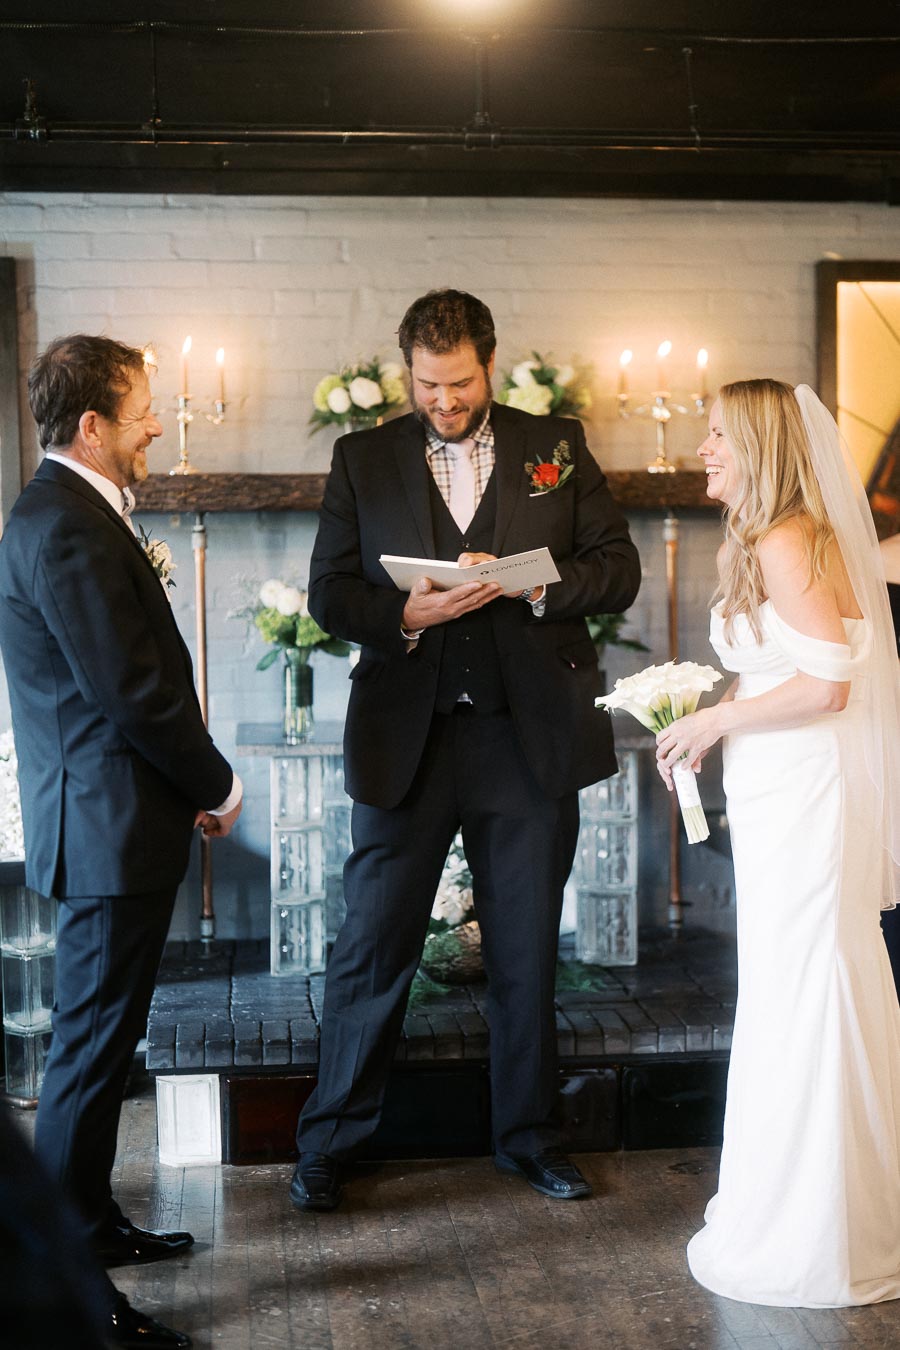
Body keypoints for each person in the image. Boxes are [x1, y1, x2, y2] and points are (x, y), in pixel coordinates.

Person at [291, 289, 641, 1211]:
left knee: (524, 946)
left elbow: (619, 567)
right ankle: (331, 1144)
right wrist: (399, 612)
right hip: (408, 735)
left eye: (458, 383)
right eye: (425, 384)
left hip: (528, 738)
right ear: (406, 371)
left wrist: (534, 584)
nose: (441, 401)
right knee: (372, 943)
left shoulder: (554, 446)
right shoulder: (361, 457)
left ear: (490, 364)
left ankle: (528, 1139)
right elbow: (330, 594)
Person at [0, 334, 243, 1349]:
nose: (157, 423)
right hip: (106, 832)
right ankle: (73, 1290)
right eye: (144, 408)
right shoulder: (62, 526)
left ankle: (93, 1221)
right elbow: (132, 690)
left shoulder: (76, 513)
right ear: (93, 424)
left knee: (101, 1048)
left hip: (118, 824)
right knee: (88, 1059)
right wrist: (216, 780)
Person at [655, 378, 900, 1307]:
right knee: (799, 983)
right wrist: (719, 730)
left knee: (807, 987)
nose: (704, 449)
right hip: (782, 788)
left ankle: (820, 1237)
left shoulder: (788, 536)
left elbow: (832, 682)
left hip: (806, 791)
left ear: (757, 444)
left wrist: (719, 719)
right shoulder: (781, 535)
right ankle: (826, 1213)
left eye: (717, 435)